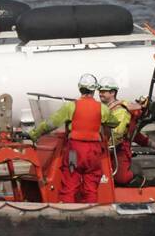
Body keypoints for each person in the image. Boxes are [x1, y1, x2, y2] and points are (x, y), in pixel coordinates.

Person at [29, 73, 115, 203]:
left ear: (80, 88)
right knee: (91, 187)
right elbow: (114, 123)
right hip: (93, 152)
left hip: (75, 151)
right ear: (94, 90)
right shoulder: (102, 108)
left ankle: (67, 214)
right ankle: (91, 215)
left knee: (70, 181)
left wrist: (34, 134)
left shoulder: (71, 106)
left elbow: (51, 123)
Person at [97, 81, 155, 185]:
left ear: (113, 93)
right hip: (111, 148)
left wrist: (154, 145)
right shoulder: (114, 110)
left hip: (116, 149)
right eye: (100, 91)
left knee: (121, 178)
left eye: (103, 91)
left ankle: (139, 183)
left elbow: (130, 134)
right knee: (115, 177)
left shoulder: (121, 111)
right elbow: (126, 133)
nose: (100, 93)